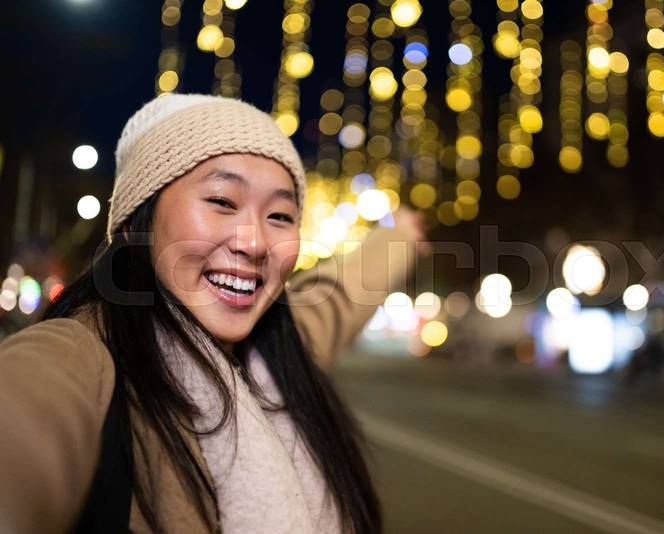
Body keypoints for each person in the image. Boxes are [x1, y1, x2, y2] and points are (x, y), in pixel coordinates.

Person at [0, 94, 427, 534]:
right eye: (223, 201)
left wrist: (401, 239)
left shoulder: (273, 357)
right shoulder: (78, 356)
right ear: (134, 222)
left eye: (280, 215)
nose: (256, 242)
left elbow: (337, 296)